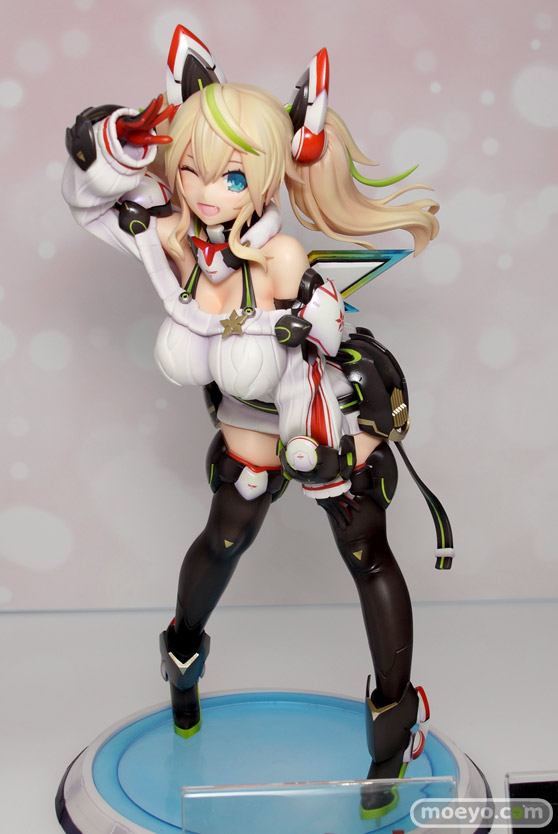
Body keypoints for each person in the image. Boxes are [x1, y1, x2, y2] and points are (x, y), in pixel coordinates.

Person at [62, 25, 449, 809]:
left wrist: (308, 317)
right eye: (193, 169)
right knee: (226, 536)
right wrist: (115, 142)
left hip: (316, 417)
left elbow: (325, 328)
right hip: (249, 422)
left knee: (365, 553)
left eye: (233, 176)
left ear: (267, 179)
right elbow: (90, 203)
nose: (208, 192)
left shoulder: (280, 258)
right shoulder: (172, 235)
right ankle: (181, 662)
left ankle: (391, 733)